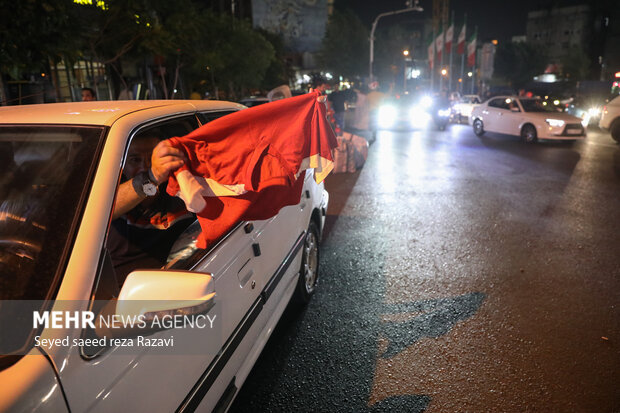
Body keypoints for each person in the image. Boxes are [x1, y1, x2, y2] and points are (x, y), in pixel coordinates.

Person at [106, 134, 193, 282]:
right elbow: (101, 211)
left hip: (168, 284)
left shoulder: (182, 190)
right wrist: (151, 177)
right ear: (122, 166)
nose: (144, 167)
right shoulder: (109, 193)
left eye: (153, 159)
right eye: (135, 160)